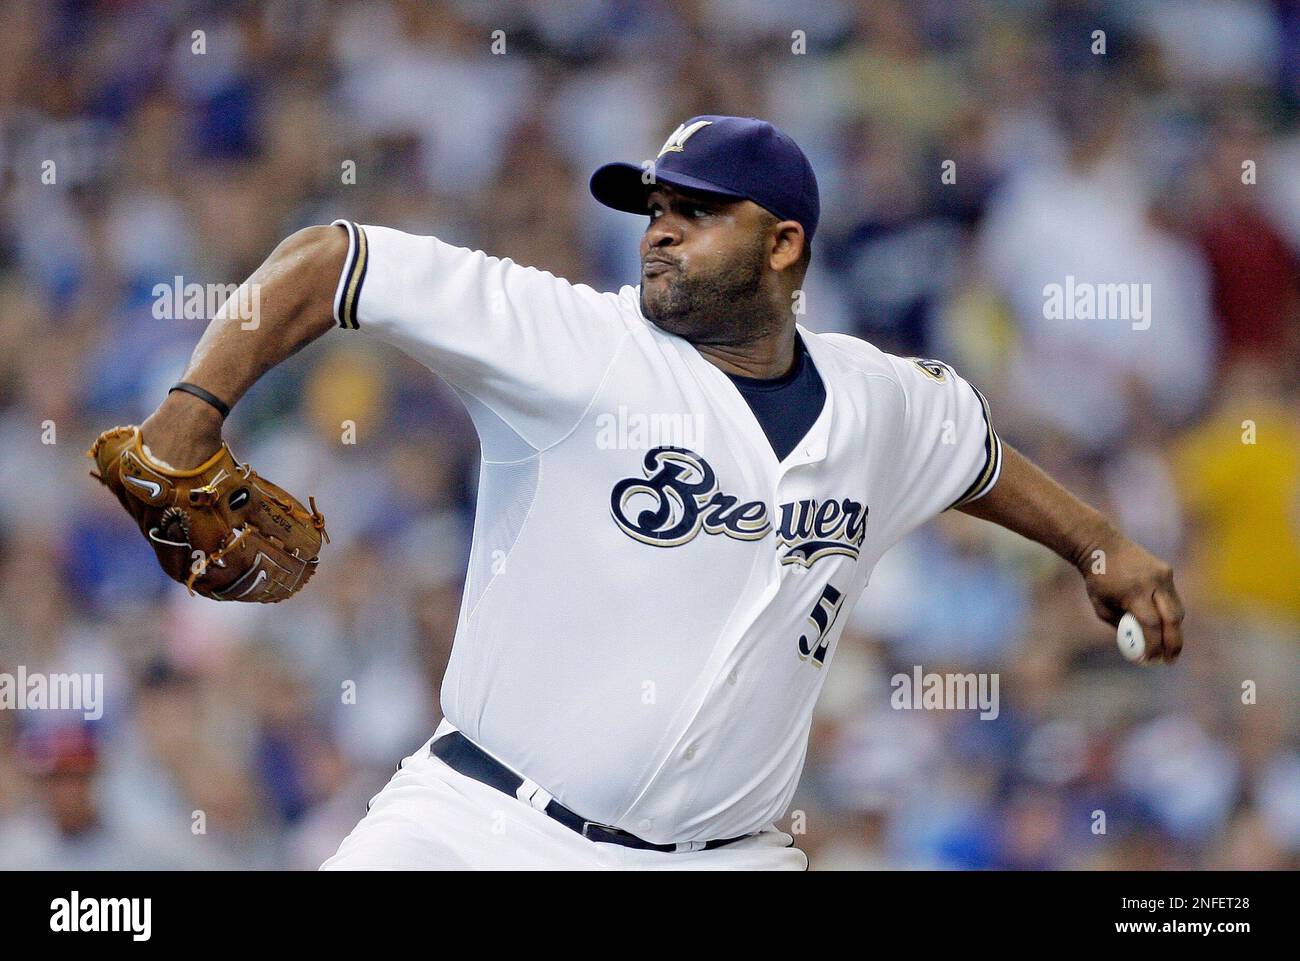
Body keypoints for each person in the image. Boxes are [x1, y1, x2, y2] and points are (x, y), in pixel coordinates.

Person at [132, 116, 1183, 870]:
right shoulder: (576, 340)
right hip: (480, 824)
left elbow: (978, 457)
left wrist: (1102, 551)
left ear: (784, 245)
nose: (659, 230)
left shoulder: (882, 401)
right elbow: (332, 259)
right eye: (653, 210)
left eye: (696, 211)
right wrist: (189, 409)